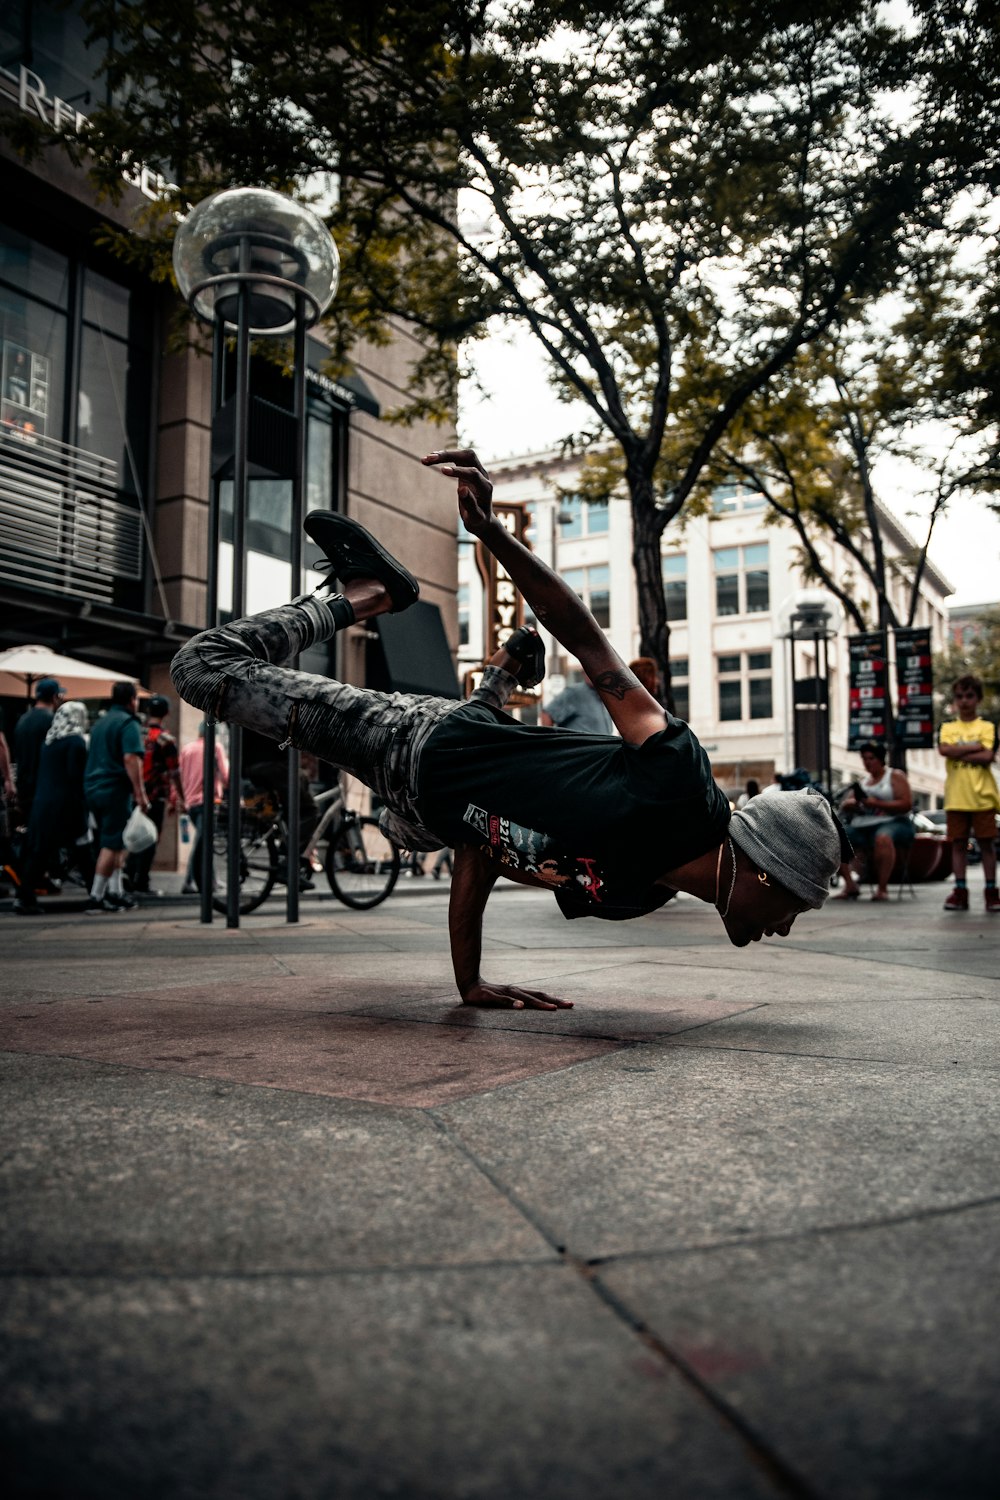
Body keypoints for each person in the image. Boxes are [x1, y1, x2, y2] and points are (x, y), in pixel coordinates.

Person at [170, 447, 849, 1010]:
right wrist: (492, 534)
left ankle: (501, 671)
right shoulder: (678, 777)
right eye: (794, 905)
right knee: (202, 667)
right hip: (412, 744)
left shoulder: (630, 896)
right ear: (765, 871)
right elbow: (587, 641)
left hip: (432, 804)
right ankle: (369, 595)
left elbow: (490, 847)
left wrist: (470, 982)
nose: (785, 927)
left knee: (446, 783)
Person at [13, 702, 90, 915]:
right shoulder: (75, 742)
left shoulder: (49, 742)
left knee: (38, 853)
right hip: (65, 807)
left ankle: (24, 896)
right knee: (83, 849)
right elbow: (76, 778)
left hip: (42, 805)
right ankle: (96, 893)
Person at [83, 681, 150, 912]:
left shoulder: (100, 723)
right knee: (111, 844)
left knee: (116, 841)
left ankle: (116, 892)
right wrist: (140, 794)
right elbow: (131, 758)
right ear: (132, 699)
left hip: (93, 788)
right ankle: (96, 896)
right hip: (114, 788)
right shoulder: (128, 723)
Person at [938, 674, 999, 913]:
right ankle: (960, 891)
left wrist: (958, 750)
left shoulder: (988, 726)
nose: (964, 701)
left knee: (987, 845)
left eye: (970, 696)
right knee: (958, 845)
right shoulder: (947, 726)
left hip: (983, 796)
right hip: (957, 796)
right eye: (960, 696)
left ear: (978, 699)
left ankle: (992, 892)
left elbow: (988, 756)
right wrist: (975, 746)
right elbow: (944, 750)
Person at [835, 742, 914, 902]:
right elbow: (846, 804)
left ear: (880, 759)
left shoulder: (894, 776)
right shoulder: (864, 782)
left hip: (893, 822)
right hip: (863, 825)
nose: (867, 762)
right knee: (834, 838)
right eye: (864, 759)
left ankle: (882, 888)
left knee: (882, 838)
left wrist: (876, 803)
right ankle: (850, 885)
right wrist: (854, 804)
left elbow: (906, 804)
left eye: (871, 758)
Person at [125, 694, 185, 896]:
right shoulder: (166, 740)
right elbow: (174, 772)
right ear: (167, 713)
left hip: (134, 794)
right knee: (150, 838)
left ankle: (128, 875)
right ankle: (141, 880)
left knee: (134, 835)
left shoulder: (137, 734)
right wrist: (179, 797)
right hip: (156, 795)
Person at [178, 722, 229, 893]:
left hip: (190, 803)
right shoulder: (216, 748)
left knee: (204, 840)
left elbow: (179, 775)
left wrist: (178, 799)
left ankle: (212, 880)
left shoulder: (187, 749)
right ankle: (189, 880)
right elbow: (226, 775)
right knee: (201, 843)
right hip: (208, 801)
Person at [12, 676, 65, 827]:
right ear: (55, 697)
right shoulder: (53, 721)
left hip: (24, 788)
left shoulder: (22, 720)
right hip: (45, 789)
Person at [541, 671, 615, 735]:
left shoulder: (604, 695)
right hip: (582, 749)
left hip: (603, 748)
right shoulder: (575, 692)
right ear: (584, 673)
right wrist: (552, 744)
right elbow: (547, 715)